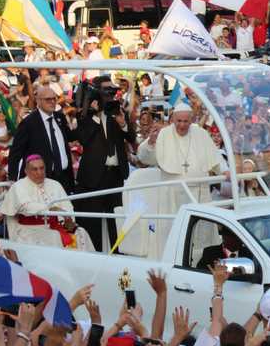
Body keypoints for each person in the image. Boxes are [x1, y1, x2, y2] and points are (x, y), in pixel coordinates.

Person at [137, 104, 224, 258]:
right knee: (174, 233)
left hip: (198, 192)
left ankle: (198, 262)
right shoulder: (163, 134)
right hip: (172, 193)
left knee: (200, 236)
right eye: (179, 121)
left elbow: (215, 157)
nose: (182, 125)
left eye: (186, 121)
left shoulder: (200, 133)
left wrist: (224, 171)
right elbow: (144, 158)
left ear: (191, 120)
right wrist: (150, 142)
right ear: (173, 119)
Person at [73, 76, 137, 251]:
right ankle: (96, 254)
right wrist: (94, 115)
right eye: (106, 91)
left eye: (112, 91)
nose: (110, 95)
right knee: (93, 221)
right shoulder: (85, 114)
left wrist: (123, 123)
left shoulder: (117, 111)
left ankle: (117, 252)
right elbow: (84, 139)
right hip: (94, 177)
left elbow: (131, 137)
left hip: (115, 175)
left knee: (115, 219)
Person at [0, 155, 94, 251]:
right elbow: (26, 207)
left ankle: (86, 264)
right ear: (26, 171)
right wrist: (50, 208)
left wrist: (67, 219)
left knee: (81, 232)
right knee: (54, 236)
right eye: (34, 169)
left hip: (56, 225)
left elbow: (67, 206)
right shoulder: (18, 186)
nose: (39, 172)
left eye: (41, 168)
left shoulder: (55, 184)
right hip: (29, 229)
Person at [8, 85, 78, 193]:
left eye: (54, 99)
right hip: (41, 180)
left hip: (64, 179)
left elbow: (71, 137)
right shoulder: (28, 123)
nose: (52, 102)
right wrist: (12, 179)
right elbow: (15, 152)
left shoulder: (60, 118)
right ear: (38, 101)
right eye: (47, 99)